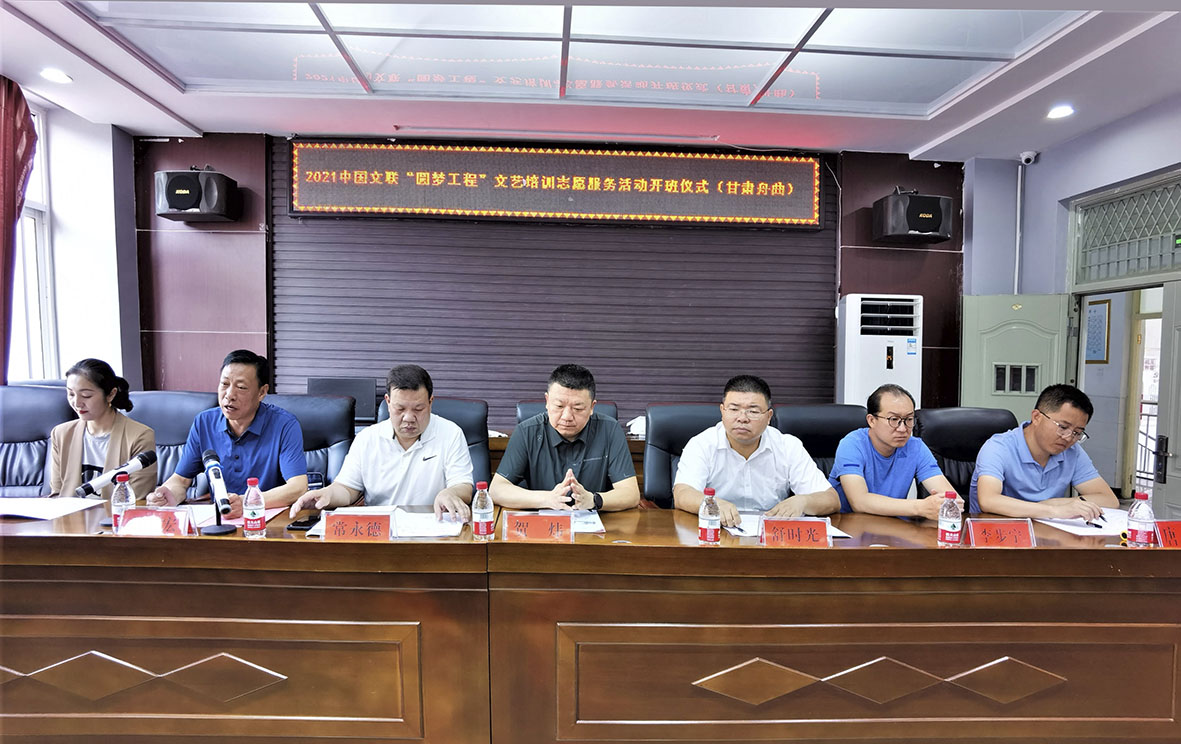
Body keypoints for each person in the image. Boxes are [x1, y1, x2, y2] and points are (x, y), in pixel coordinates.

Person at [288, 364, 474, 520]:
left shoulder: (450, 433)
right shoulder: (367, 438)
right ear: (388, 402)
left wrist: (450, 493)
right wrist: (327, 495)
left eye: (418, 409)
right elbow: (347, 489)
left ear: (431, 402)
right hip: (380, 531)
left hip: (433, 527)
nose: (409, 418)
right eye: (400, 408)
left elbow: (464, 486)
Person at [148, 350, 306, 516]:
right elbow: (181, 480)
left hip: (266, 520)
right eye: (224, 384)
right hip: (218, 520)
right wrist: (167, 495)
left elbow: (298, 487)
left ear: (262, 392)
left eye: (241, 387)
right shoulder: (204, 422)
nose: (229, 395)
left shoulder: (284, 425)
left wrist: (247, 502)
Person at [673, 374, 839, 527]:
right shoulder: (702, 444)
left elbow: (831, 499)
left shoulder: (787, 446)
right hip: (716, 531)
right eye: (734, 409)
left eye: (753, 411)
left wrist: (802, 502)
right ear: (722, 411)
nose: (742, 418)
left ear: (768, 416)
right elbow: (682, 494)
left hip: (771, 535)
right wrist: (711, 504)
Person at [490, 364, 639, 511]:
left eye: (578, 408)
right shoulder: (527, 432)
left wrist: (593, 500)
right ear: (547, 401)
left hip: (596, 521)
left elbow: (631, 494)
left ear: (592, 407)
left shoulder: (610, 430)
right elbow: (497, 490)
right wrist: (547, 499)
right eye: (559, 406)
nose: (567, 416)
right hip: (543, 521)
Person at [971, 384, 1118, 519]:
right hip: (1000, 531)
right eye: (1063, 427)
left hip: (1047, 530)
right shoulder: (998, 447)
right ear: (1036, 417)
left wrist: (1055, 503)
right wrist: (1055, 511)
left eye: (1077, 433)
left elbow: (1109, 499)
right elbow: (989, 500)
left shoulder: (1072, 452)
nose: (1068, 438)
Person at [830, 383, 962, 518]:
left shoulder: (915, 447)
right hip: (851, 525)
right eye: (894, 419)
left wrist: (947, 503)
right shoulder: (852, 444)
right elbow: (859, 502)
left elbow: (953, 501)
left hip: (895, 525)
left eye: (908, 419)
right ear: (871, 420)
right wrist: (920, 507)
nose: (902, 429)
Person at [50, 358, 156, 499]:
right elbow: (57, 494)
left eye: (86, 395)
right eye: (71, 394)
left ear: (111, 394)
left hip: (115, 513)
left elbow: (137, 499)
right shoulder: (61, 434)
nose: (77, 403)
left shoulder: (140, 436)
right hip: (70, 513)